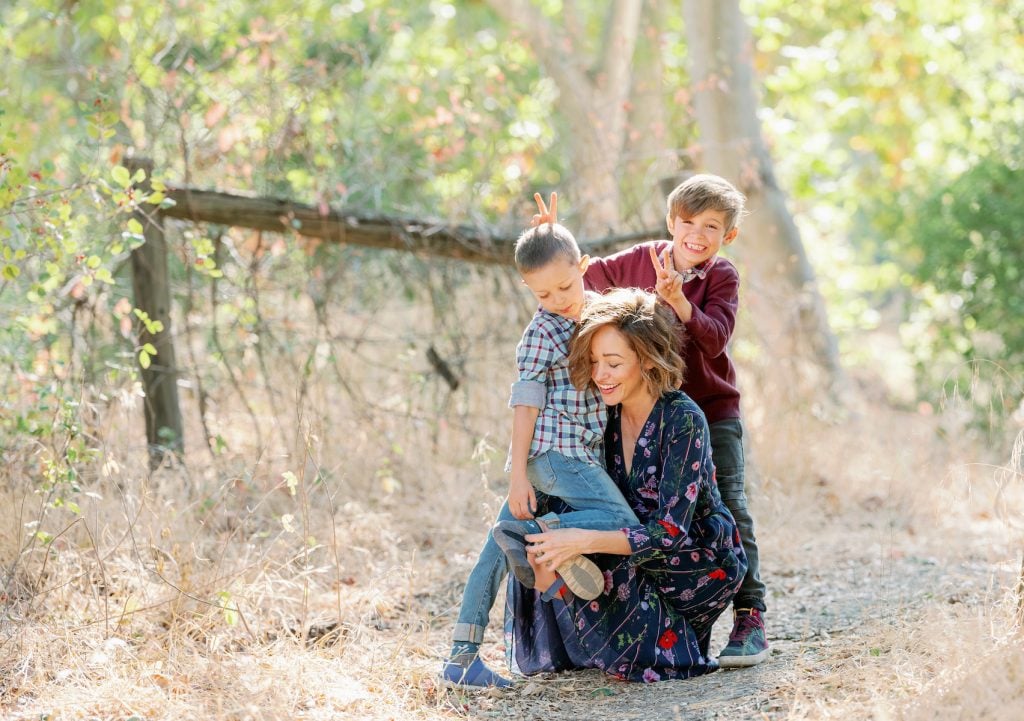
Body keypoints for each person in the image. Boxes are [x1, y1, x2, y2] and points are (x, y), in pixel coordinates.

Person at [533, 179, 770, 667]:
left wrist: (680, 301)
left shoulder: (721, 276)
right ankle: (635, 609)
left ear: (729, 235)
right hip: (644, 409)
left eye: (711, 227)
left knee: (728, 506)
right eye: (688, 222)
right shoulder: (641, 259)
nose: (697, 235)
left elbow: (716, 340)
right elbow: (578, 280)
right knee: (636, 503)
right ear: (671, 222)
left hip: (708, 409)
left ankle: (749, 616)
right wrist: (552, 243)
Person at [505, 288, 747, 681]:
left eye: (613, 363)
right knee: (557, 529)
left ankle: (647, 634)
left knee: (593, 556)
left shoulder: (683, 420)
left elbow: (669, 533)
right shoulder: (606, 420)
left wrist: (581, 541)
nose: (600, 375)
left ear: (647, 360)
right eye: (595, 361)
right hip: (634, 544)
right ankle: (566, 584)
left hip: (695, 561)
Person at [440, 222, 640, 689]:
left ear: (584, 267)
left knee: (493, 553)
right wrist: (517, 479)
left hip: (563, 457)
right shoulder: (542, 332)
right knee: (621, 521)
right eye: (543, 293)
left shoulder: (595, 314)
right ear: (528, 290)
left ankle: (461, 656)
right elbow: (525, 403)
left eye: (566, 286)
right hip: (555, 455)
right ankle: (536, 534)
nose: (558, 299)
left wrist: (552, 228)